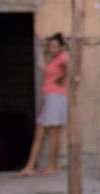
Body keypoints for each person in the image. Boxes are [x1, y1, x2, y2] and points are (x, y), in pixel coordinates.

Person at [19, 33, 68, 177]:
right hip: (49, 97)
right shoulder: (52, 59)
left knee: (53, 132)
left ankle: (52, 166)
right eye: (50, 46)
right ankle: (30, 165)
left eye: (54, 46)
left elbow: (72, 71)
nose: (52, 48)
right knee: (40, 131)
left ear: (60, 47)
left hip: (57, 97)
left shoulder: (63, 57)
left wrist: (61, 80)